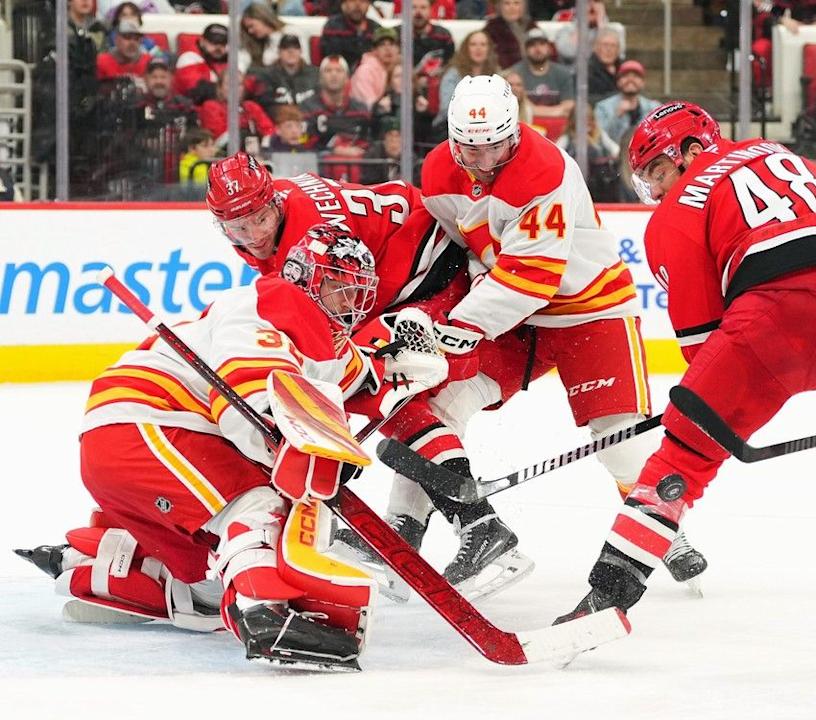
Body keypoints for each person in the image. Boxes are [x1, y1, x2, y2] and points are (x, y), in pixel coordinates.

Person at [558, 101, 816, 638]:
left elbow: (705, 346)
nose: (654, 190)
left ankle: (606, 599)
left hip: (779, 321)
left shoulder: (678, 213)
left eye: (656, 171)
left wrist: (699, 412)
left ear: (690, 152)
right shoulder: (781, 153)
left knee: (681, 456)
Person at [17, 228, 450, 671]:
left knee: (200, 587)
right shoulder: (265, 304)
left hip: (127, 440)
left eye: (355, 291)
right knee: (255, 502)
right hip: (149, 422)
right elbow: (250, 402)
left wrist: (401, 368)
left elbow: (359, 378)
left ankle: (98, 563)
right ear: (305, 279)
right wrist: (303, 447)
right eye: (337, 285)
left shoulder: (322, 338)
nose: (349, 301)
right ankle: (263, 611)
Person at [411, 75, 709, 590]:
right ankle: (404, 526)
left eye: (496, 146)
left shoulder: (544, 169)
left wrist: (462, 323)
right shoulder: (439, 170)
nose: (483, 161)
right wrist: (440, 314)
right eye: (471, 149)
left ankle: (665, 529)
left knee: (616, 434)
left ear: (515, 131)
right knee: (434, 404)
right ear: (452, 137)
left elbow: (533, 277)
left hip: (587, 310)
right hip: (512, 316)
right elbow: (448, 255)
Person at [204, 153, 534, 597]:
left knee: (383, 392)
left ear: (274, 201)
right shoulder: (273, 213)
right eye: (238, 227)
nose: (254, 235)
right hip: (400, 275)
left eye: (260, 218)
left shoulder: (306, 232)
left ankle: (481, 527)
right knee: (384, 394)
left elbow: (326, 327)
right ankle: (406, 534)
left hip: (433, 272)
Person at [509, 28, 574, 121]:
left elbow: (569, 106)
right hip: (526, 122)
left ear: (549, 48)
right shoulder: (516, 72)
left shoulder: (563, 73)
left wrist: (534, 110)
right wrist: (556, 111)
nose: (537, 49)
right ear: (525, 50)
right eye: (532, 45)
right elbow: (517, 105)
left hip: (558, 124)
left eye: (542, 44)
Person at [594, 59, 659, 148]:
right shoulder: (603, 107)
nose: (630, 80)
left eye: (636, 76)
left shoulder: (655, 108)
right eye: (625, 76)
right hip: (612, 159)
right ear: (618, 81)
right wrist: (617, 115)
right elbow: (597, 139)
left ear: (643, 82)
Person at [173, 22, 228, 103]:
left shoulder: (227, 61)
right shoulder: (189, 58)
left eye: (223, 43)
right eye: (214, 42)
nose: (218, 47)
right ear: (202, 41)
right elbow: (198, 92)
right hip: (192, 111)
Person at [320, 0, 381, 71]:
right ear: (343, 5)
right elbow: (332, 57)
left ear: (368, 5)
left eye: (363, 1)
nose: (357, 5)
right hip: (341, 74)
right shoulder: (333, 27)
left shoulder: (376, 28)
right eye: (352, 1)